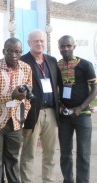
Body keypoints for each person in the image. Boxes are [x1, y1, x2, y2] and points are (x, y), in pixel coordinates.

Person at [0, 38, 32, 183]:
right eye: (9, 51)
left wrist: (23, 115)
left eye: (17, 52)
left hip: (16, 123)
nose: (13, 55)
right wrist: (10, 96)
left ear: (21, 52)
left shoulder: (26, 68)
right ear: (3, 51)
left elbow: (28, 93)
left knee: (13, 159)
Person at [19, 29, 61, 183]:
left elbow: (58, 85)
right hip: (32, 112)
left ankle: (48, 180)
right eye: (36, 41)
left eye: (42, 41)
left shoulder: (52, 60)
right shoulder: (22, 61)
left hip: (50, 112)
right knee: (28, 153)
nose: (39, 43)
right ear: (29, 43)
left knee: (50, 153)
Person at [57, 35, 97, 183]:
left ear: (74, 46)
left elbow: (94, 89)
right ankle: (68, 180)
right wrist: (60, 106)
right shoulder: (57, 65)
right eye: (62, 46)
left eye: (68, 46)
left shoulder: (85, 65)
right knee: (65, 153)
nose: (65, 49)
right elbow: (56, 89)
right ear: (59, 47)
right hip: (64, 116)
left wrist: (81, 107)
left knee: (83, 153)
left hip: (83, 115)